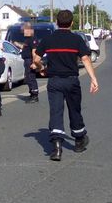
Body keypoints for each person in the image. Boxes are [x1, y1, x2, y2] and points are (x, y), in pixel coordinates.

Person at [33, 10, 99, 161]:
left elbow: (36, 58)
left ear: (57, 22)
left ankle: (56, 148)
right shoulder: (76, 40)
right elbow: (86, 59)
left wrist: (41, 68)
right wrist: (93, 78)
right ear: (71, 23)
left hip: (55, 81)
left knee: (56, 111)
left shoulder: (48, 39)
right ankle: (79, 140)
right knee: (74, 110)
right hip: (71, 80)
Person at [14, 22, 40, 103]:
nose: (23, 32)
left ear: (29, 30)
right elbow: (25, 48)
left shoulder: (33, 39)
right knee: (28, 78)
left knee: (31, 77)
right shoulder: (27, 39)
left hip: (30, 60)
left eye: (24, 30)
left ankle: (35, 94)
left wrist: (34, 62)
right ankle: (31, 93)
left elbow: (34, 51)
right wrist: (17, 44)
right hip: (26, 60)